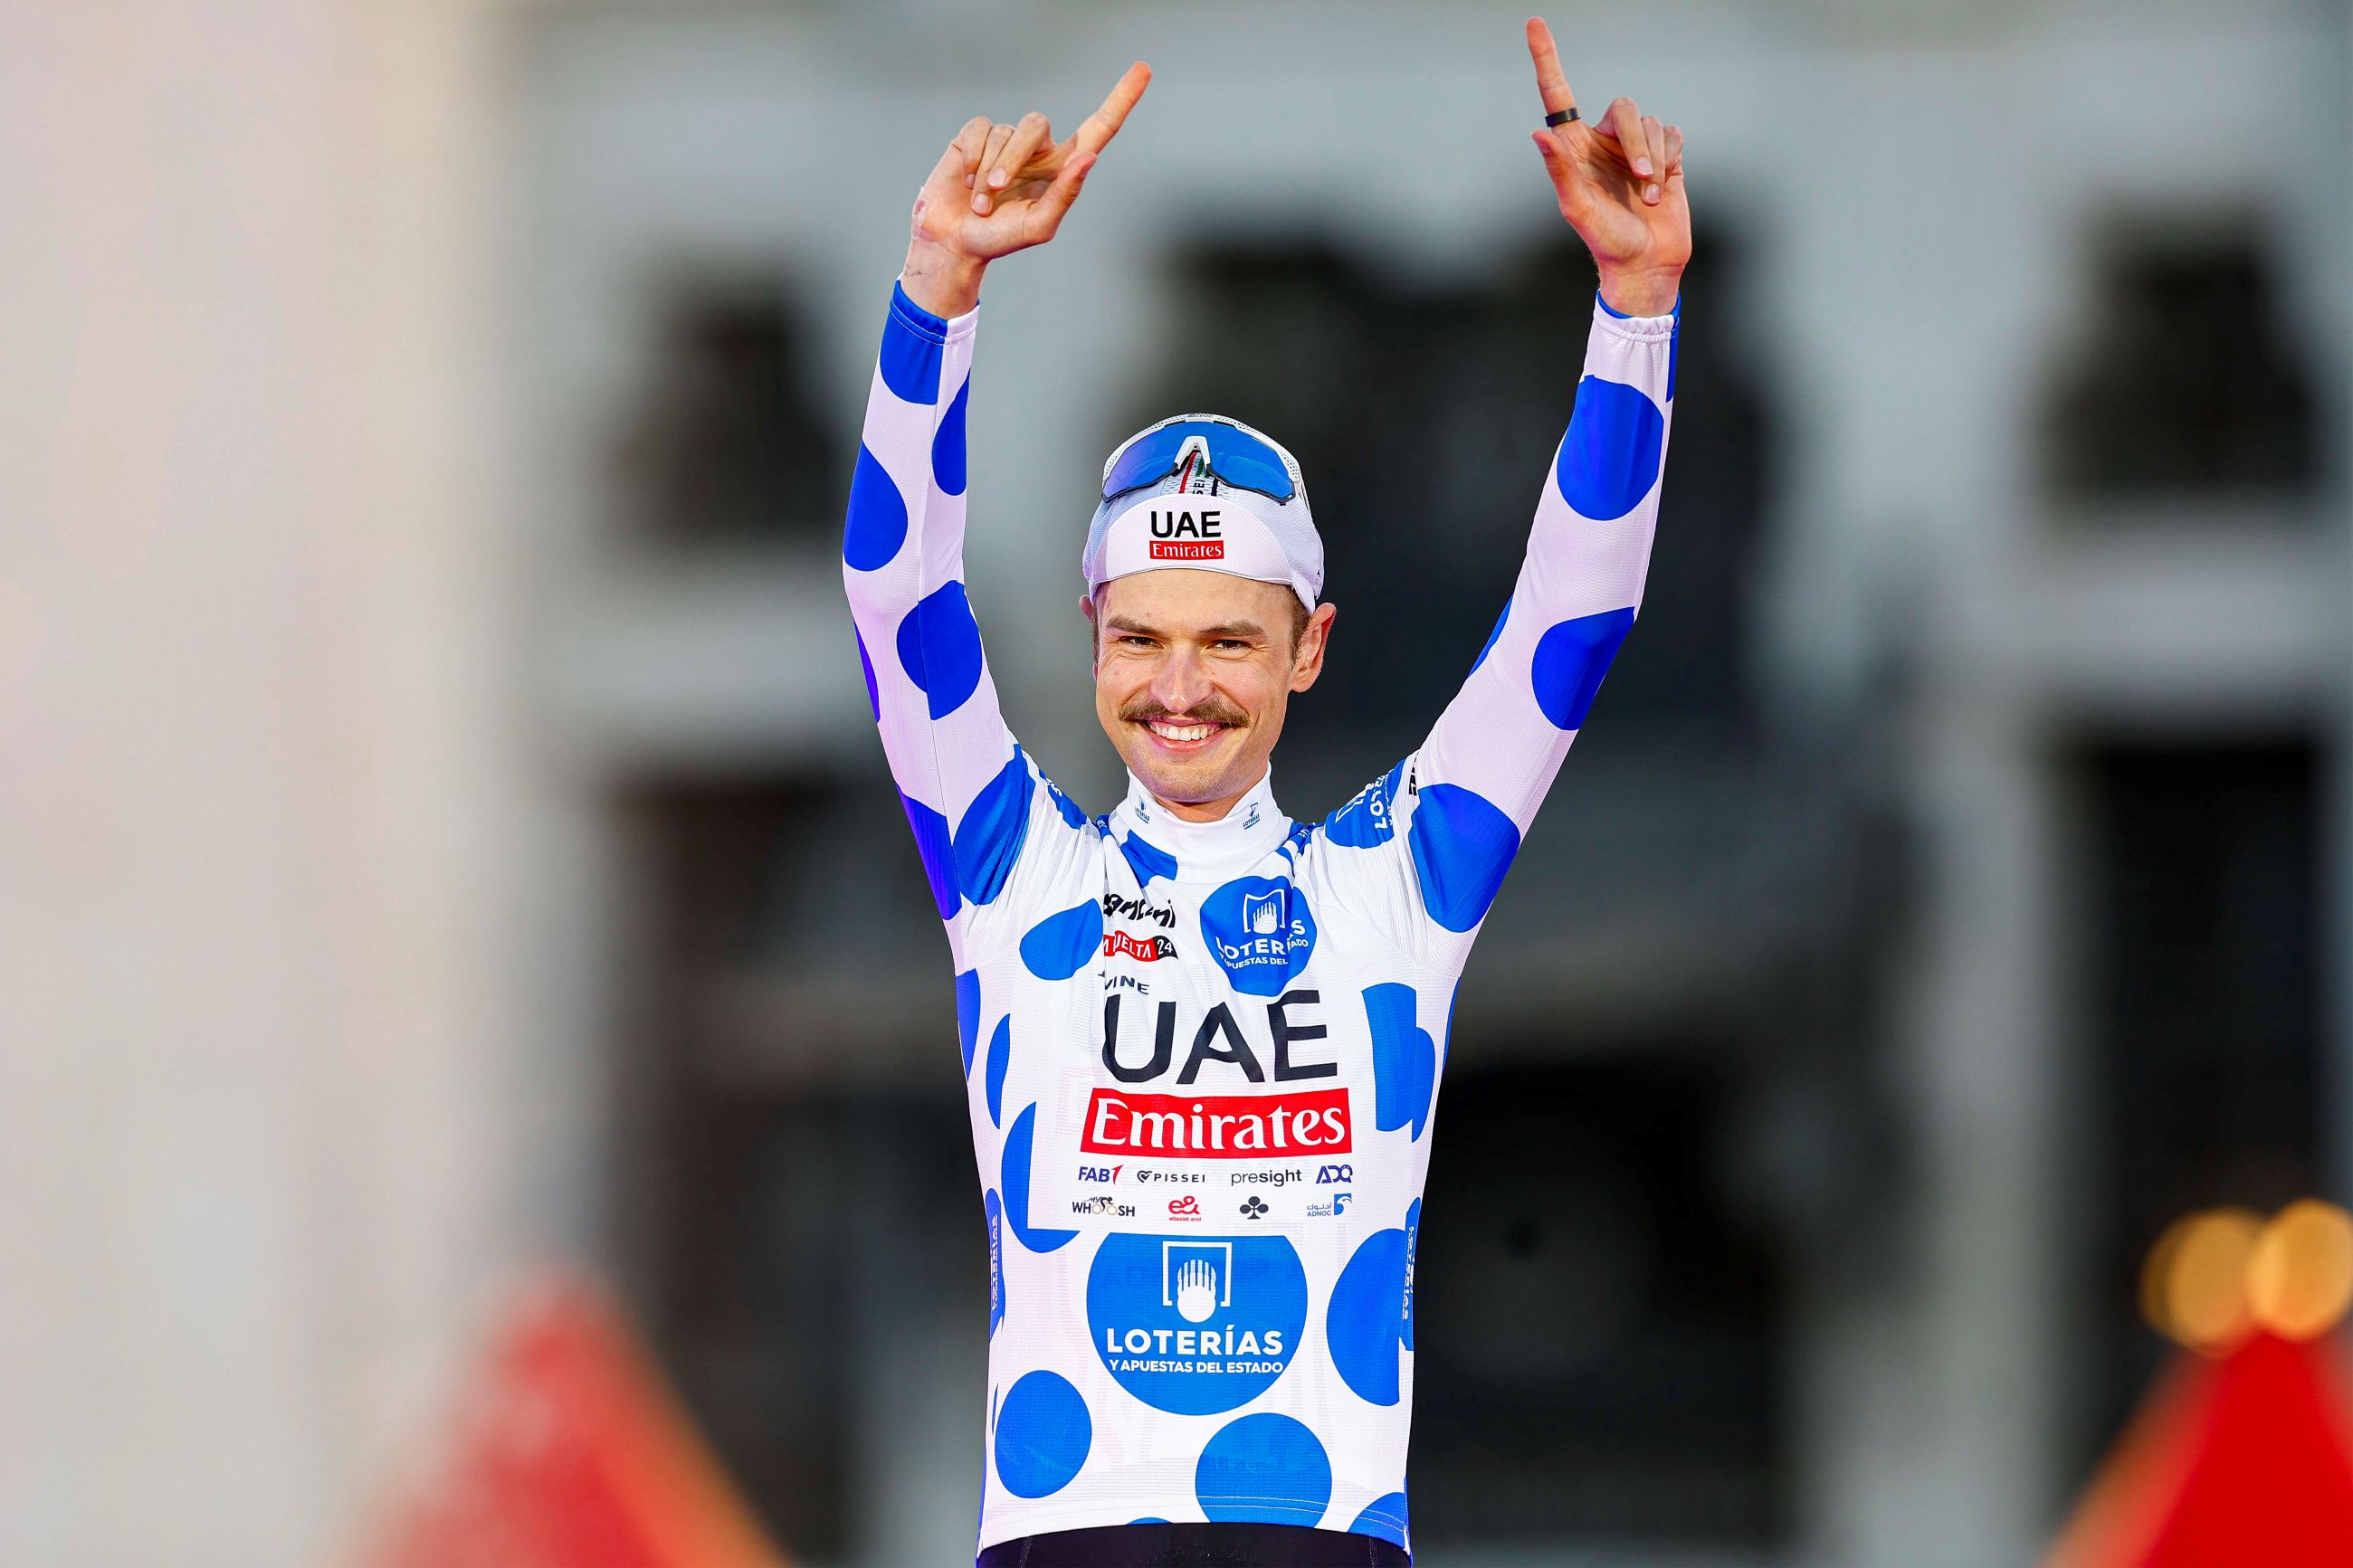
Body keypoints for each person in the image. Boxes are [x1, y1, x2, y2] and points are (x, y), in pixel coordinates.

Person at [840, 18, 1687, 1565]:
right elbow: (898, 593)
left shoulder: (1395, 883)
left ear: (1310, 651)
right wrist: (936, 292)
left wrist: (1635, 306)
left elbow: (1580, 605)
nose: (1180, 687)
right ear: (1093, 638)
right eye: (1146, 639)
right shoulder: (1008, 866)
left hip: (1324, 1532)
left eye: (1230, 640)